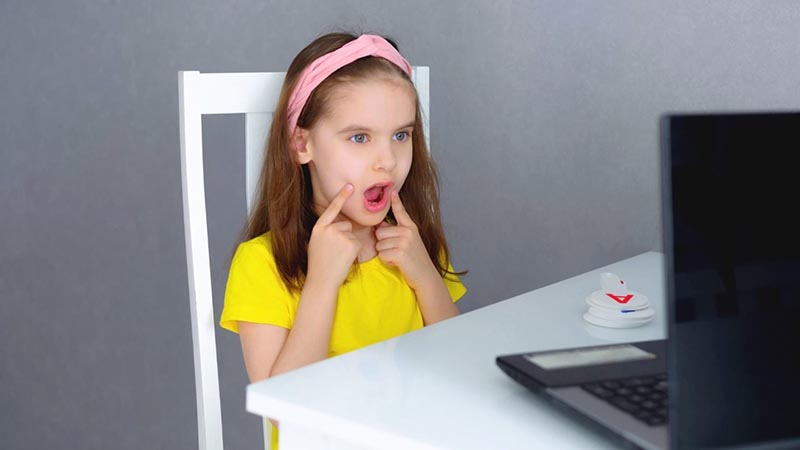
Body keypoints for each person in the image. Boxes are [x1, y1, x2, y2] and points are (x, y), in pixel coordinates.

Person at [219, 31, 467, 448]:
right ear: (302, 143)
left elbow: (461, 363)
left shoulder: (413, 245)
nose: (386, 160)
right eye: (359, 138)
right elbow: (282, 408)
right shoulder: (262, 263)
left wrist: (425, 275)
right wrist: (321, 284)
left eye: (400, 135)